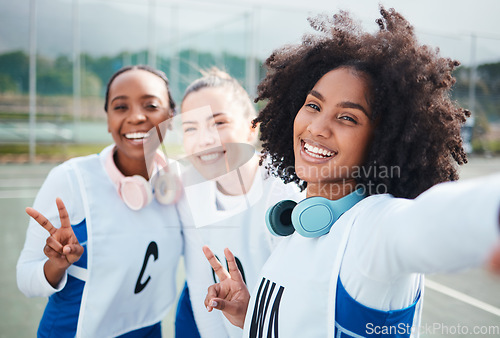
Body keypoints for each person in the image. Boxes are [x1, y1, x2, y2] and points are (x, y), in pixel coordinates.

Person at [201, 8, 500, 337]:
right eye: (313, 106)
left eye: (347, 118)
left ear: (383, 140)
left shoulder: (372, 230)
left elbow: (434, 219)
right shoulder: (302, 227)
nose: (317, 127)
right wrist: (252, 315)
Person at [16, 65, 183, 337]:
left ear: (170, 117)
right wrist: (56, 266)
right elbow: (25, 280)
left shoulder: (177, 185)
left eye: (151, 105)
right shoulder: (71, 180)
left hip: (148, 330)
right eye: (120, 107)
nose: (136, 117)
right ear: (107, 119)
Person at [174, 68, 303, 337]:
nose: (205, 140)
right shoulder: (190, 189)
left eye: (219, 123)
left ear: (251, 128)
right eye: (190, 128)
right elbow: (201, 288)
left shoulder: (285, 191)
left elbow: (297, 305)